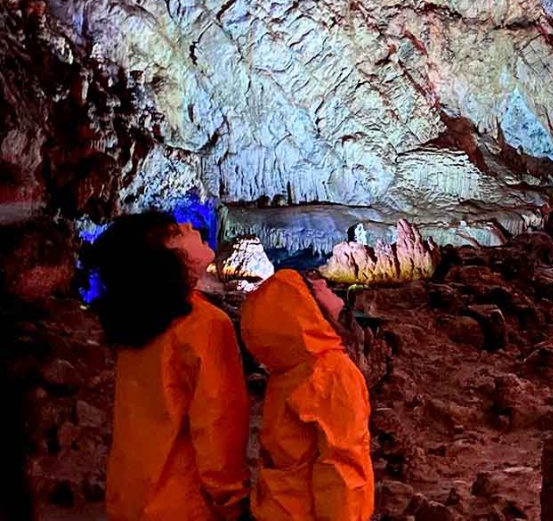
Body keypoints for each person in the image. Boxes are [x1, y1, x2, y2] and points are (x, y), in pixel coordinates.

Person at [83, 212, 249, 521]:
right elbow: (217, 424)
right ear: (162, 259)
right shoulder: (204, 326)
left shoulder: (140, 320)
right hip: (181, 504)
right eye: (174, 231)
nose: (188, 224)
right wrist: (233, 501)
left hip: (130, 496)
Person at [239, 269, 375, 521]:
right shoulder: (330, 372)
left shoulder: (286, 372)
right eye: (313, 283)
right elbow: (342, 468)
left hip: (275, 509)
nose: (324, 281)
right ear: (304, 305)